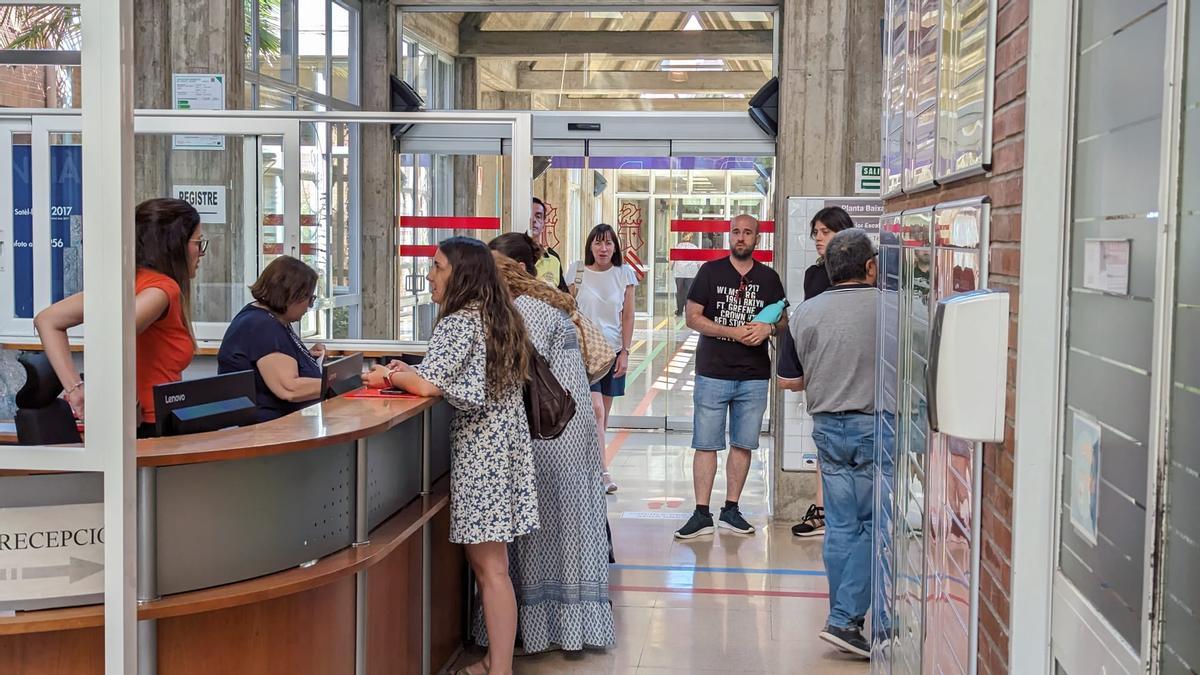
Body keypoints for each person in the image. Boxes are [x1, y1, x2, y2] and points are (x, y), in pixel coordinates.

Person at [362, 236, 537, 675]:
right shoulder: (498, 316)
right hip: (504, 449)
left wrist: (389, 374)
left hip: (483, 455)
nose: (429, 275)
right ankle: (495, 662)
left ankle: (500, 669)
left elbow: (429, 384)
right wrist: (413, 375)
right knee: (491, 563)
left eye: (437, 267)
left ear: (461, 273)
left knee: (490, 566)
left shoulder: (459, 321)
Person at [481, 232, 616, 654]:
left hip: (549, 432)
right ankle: (570, 624)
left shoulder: (527, 309)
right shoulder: (549, 300)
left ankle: (546, 629)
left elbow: (511, 369)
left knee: (548, 526)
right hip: (566, 429)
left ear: (513, 270)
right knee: (568, 522)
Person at [33, 197, 205, 437]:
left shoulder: (127, 283)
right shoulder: (162, 289)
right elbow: (116, 331)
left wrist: (75, 388)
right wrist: (77, 389)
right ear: (175, 244)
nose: (202, 253)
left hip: (139, 421)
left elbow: (47, 319)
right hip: (149, 426)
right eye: (198, 243)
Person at [787, 229, 879, 659]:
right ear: (871, 267)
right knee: (873, 525)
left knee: (841, 525)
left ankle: (846, 618)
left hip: (826, 427)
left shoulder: (803, 314)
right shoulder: (897, 308)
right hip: (877, 426)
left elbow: (791, 376)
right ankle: (844, 620)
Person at [674, 214, 787, 540]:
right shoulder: (710, 272)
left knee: (743, 443)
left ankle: (731, 510)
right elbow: (692, 317)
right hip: (713, 372)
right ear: (729, 236)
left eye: (747, 233)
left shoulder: (769, 278)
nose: (741, 237)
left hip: (754, 375)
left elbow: (783, 322)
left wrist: (769, 327)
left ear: (756, 238)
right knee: (706, 444)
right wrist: (732, 333)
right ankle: (701, 513)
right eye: (736, 232)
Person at [777, 205, 857, 538]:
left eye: (827, 232)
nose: (819, 239)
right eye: (816, 233)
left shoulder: (866, 273)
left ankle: (849, 514)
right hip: (823, 368)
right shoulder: (813, 274)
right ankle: (823, 510)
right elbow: (807, 323)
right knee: (824, 442)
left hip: (857, 369)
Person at [567, 224, 637, 495]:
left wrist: (625, 352)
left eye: (608, 243)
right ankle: (603, 472)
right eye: (597, 243)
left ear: (616, 247)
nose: (603, 248)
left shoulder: (624, 274)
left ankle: (594, 466)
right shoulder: (577, 271)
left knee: (602, 417)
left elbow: (628, 316)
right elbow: (566, 308)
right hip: (582, 354)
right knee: (595, 409)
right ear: (590, 247)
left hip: (611, 353)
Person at [217, 256, 326, 423]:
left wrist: (305, 357)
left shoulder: (272, 319)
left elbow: (277, 357)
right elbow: (289, 388)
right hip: (264, 432)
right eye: (310, 299)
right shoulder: (261, 326)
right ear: (292, 295)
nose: (309, 307)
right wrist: (338, 382)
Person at [530, 197, 568, 291]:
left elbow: (564, 297)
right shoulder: (509, 252)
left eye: (538, 216)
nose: (534, 220)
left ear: (543, 224)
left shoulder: (553, 258)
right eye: (529, 215)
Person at [672, 233, 701, 317]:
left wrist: (670, 268)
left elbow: (673, 259)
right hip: (691, 273)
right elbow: (698, 262)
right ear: (691, 238)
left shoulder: (678, 246)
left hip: (679, 272)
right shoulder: (694, 247)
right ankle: (688, 310)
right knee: (689, 292)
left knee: (680, 291)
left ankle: (679, 311)